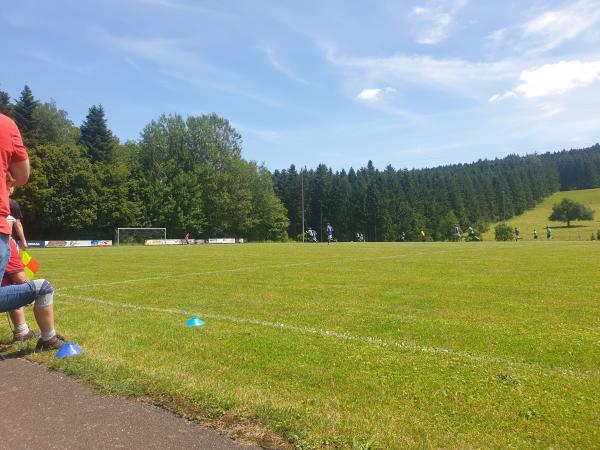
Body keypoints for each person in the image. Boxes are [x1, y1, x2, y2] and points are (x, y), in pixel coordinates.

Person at [0, 112, 64, 351]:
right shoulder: (5, 125)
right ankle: (46, 337)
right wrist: (23, 244)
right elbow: (23, 175)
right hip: (6, 241)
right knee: (25, 282)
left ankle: (22, 330)